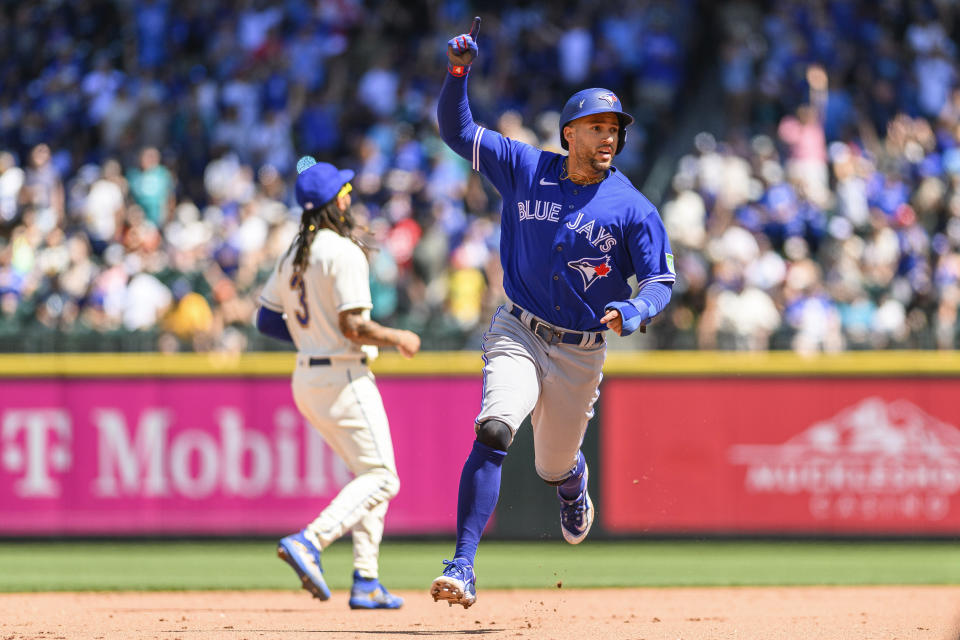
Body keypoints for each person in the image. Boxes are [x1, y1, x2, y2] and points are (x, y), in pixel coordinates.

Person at [430, 18, 675, 609]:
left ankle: (572, 484)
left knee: (551, 464)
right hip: (518, 327)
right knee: (494, 430)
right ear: (570, 133)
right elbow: (457, 130)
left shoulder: (632, 206)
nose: (608, 136)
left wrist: (636, 307)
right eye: (596, 127)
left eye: (615, 127)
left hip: (581, 349)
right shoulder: (523, 166)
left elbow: (662, 279)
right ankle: (462, 564)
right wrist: (458, 73)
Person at [255, 156, 421, 610]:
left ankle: (366, 578)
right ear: (334, 202)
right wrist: (398, 338)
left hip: (308, 377)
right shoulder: (342, 250)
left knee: (371, 472)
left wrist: (312, 336)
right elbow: (354, 327)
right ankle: (311, 541)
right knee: (383, 477)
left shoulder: (295, 251)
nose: (350, 196)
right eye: (344, 191)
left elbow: (266, 319)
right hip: (344, 376)